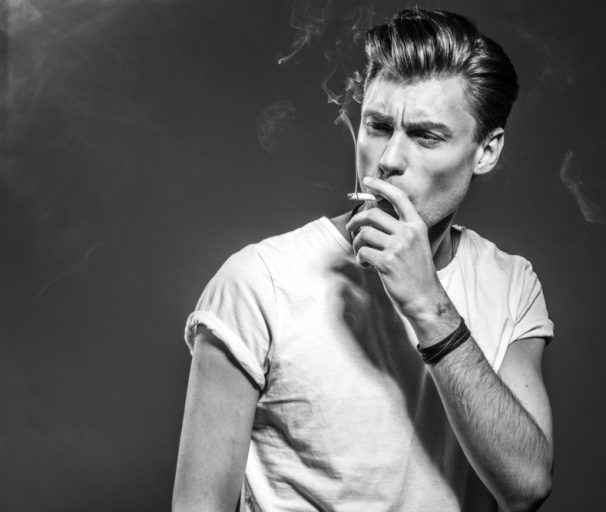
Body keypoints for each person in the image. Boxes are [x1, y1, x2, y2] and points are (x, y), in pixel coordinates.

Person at [173, 8, 555, 512]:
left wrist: (428, 303)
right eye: (377, 125)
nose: (389, 159)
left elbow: (527, 487)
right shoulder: (258, 282)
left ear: (486, 150)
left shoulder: (511, 283)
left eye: (426, 135)